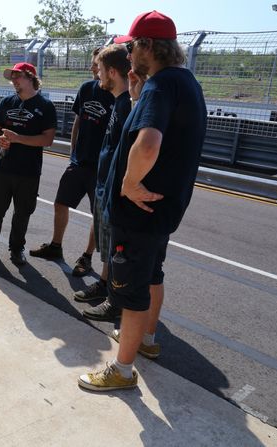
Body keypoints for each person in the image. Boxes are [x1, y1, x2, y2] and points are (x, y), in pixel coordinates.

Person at [78, 11, 207, 391]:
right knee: (152, 274)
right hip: (163, 210)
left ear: (149, 46)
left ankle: (121, 370)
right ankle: (146, 341)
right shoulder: (184, 83)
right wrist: (136, 98)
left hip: (139, 212)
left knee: (129, 290)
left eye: (132, 46)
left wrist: (130, 183)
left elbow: (148, 142)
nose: (129, 54)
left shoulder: (160, 86)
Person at [29, 48, 114, 276]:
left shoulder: (118, 96)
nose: (92, 68)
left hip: (101, 168)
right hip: (79, 162)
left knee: (97, 215)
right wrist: (73, 152)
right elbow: (78, 121)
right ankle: (56, 246)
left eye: (96, 64)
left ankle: (86, 257)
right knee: (60, 202)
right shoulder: (87, 88)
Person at [0, 62, 57, 265]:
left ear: (30, 77)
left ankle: (17, 249)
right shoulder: (7, 102)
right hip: (3, 169)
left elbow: (48, 140)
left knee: (22, 214)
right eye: (12, 78)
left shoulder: (45, 106)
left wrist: (19, 139)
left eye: (18, 77)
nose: (14, 81)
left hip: (28, 172)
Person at [72, 44, 132, 323]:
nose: (96, 72)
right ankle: (106, 286)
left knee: (116, 248)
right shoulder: (120, 102)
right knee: (107, 245)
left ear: (111, 71)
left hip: (114, 188)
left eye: (99, 67)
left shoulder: (126, 106)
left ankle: (115, 300)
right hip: (103, 181)